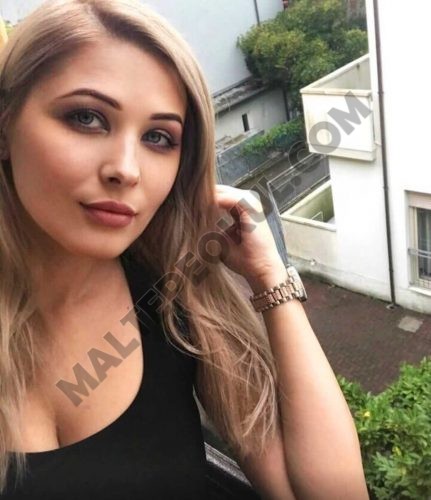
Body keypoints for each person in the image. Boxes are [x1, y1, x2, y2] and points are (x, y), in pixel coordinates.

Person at [0, 0, 369, 498]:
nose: (126, 169)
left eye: (158, 137)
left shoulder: (174, 298)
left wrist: (270, 278)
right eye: (86, 117)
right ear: (5, 128)